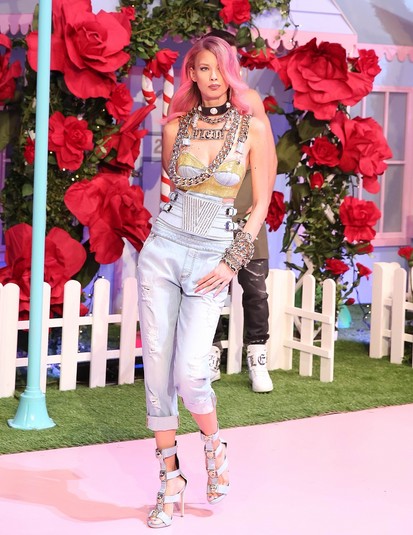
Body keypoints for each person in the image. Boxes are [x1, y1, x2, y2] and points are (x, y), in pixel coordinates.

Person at [137, 36, 270, 528]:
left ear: (230, 72)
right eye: (202, 68)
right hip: (163, 249)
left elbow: (260, 204)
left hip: (214, 256)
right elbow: (175, 190)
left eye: (219, 68)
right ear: (191, 74)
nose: (212, 77)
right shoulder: (176, 125)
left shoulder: (253, 128)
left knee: (192, 373)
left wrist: (233, 261)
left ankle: (214, 445)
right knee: (156, 369)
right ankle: (170, 477)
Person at [205, 30, 277, 393]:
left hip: (248, 208)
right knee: (207, 287)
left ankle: (257, 359)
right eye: (214, 61)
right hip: (209, 210)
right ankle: (210, 356)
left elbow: (269, 157)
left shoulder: (249, 99)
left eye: (230, 58)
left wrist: (261, 202)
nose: (222, 68)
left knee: (255, 288)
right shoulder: (198, 103)